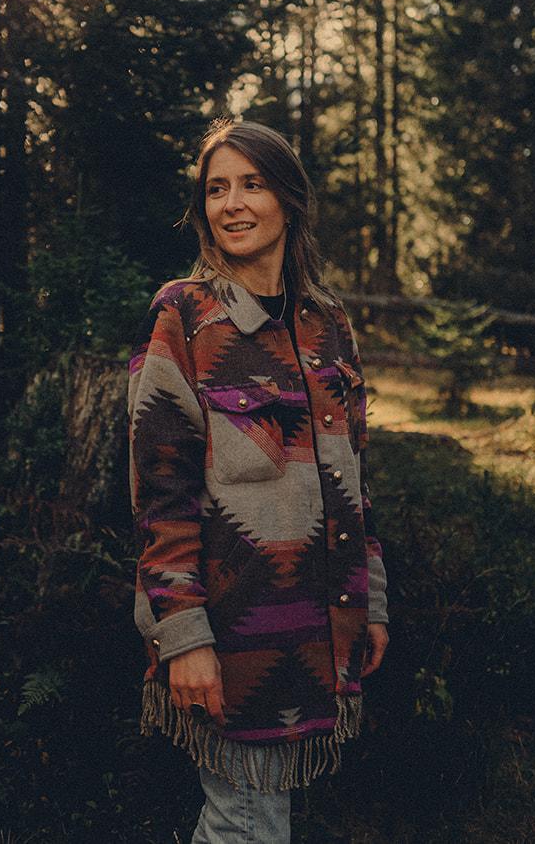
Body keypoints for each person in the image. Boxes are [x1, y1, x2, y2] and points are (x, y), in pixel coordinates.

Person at [126, 119, 389, 842]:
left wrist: (374, 601)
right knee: (246, 825)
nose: (231, 204)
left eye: (252, 184)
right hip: (232, 632)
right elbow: (161, 497)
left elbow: (355, 482)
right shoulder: (185, 315)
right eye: (216, 189)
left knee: (258, 821)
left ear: (289, 199)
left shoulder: (329, 324)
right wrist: (183, 636)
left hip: (318, 628)